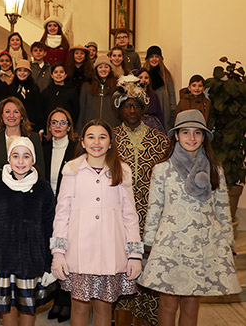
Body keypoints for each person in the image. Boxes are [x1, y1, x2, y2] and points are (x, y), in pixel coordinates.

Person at [139, 110, 241, 326]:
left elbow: (222, 210)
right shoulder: (162, 170)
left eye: (197, 133)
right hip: (170, 245)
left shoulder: (216, 170)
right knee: (167, 304)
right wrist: (148, 246)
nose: (191, 138)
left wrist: (228, 243)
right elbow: (155, 209)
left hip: (202, 245)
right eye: (185, 132)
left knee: (192, 305)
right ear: (176, 135)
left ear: (204, 136)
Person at [51, 119, 142, 326]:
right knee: (80, 308)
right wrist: (58, 253)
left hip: (110, 252)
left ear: (110, 143)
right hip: (79, 253)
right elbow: (62, 214)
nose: (96, 142)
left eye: (102, 137)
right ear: (82, 142)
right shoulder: (71, 170)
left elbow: (130, 215)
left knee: (103, 308)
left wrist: (134, 255)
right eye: (91, 137)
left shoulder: (122, 170)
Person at [0, 136, 56, 326]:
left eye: (26, 156)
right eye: (15, 156)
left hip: (32, 260)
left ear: (33, 160)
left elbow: (50, 227)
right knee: (7, 308)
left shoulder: (43, 188)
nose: (20, 161)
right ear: (9, 158)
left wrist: (49, 263)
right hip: (2, 259)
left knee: (28, 308)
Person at [111, 82, 169, 326]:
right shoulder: (110, 138)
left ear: (143, 109)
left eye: (136, 105)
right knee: (122, 267)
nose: (132, 110)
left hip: (152, 214)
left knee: (150, 267)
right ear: (120, 110)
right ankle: (122, 318)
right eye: (127, 106)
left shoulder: (160, 140)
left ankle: (147, 319)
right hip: (119, 214)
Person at [42, 108, 78, 323]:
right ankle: (56, 299)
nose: (57, 126)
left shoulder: (76, 149)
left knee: (67, 252)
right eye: (53, 122)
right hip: (48, 207)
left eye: (62, 122)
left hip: (70, 207)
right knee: (51, 253)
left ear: (69, 126)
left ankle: (67, 301)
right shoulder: (43, 146)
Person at [0, 97, 45, 194]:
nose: (11, 115)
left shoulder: (33, 138)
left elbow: (40, 171)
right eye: (7, 112)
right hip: (0, 196)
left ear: (22, 116)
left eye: (16, 112)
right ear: (1, 116)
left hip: (28, 195)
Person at [77, 55, 120, 131]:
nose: (103, 69)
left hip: (111, 128)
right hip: (91, 128)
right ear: (96, 69)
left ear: (110, 69)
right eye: (100, 67)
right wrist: (80, 131)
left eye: (106, 67)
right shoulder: (87, 86)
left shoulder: (117, 86)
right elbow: (82, 110)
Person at [143, 45, 176, 131]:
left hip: (163, 107)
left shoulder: (166, 75)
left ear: (160, 59)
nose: (154, 59)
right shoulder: (142, 75)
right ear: (147, 59)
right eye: (151, 57)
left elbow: (171, 94)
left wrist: (173, 110)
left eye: (157, 57)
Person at [8, 59, 43, 131]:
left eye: (25, 71)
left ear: (29, 73)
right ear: (16, 72)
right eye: (19, 70)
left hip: (30, 125)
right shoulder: (10, 88)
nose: (22, 73)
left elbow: (38, 108)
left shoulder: (34, 88)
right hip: (13, 124)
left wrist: (40, 128)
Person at [41, 62, 79, 126]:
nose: (58, 74)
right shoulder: (45, 92)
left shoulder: (72, 92)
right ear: (52, 75)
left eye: (61, 72)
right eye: (55, 72)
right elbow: (42, 112)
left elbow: (75, 112)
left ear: (65, 75)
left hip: (66, 127)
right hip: (49, 127)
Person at [131, 68, 165, 133]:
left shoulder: (154, 95)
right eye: (140, 77)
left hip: (152, 124)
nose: (143, 80)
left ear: (149, 80)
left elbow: (159, 113)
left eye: (146, 78)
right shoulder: (133, 95)